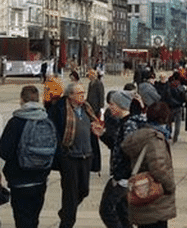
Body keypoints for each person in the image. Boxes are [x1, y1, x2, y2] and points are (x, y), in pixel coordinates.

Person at [47, 83, 103, 228]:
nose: (82, 96)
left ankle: (65, 212)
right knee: (70, 194)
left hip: (86, 156)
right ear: (69, 95)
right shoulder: (60, 109)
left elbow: (94, 127)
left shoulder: (86, 108)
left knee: (84, 190)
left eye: (83, 93)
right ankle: (67, 222)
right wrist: (62, 153)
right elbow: (53, 132)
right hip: (69, 157)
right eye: (79, 93)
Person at [0, 85, 56, 228]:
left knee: (22, 219)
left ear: (21, 100)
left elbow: (4, 151)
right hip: (40, 178)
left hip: (19, 180)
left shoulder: (16, 122)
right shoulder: (46, 120)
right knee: (33, 218)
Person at [122, 102, 176, 228]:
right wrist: (170, 186)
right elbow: (158, 167)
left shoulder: (141, 135)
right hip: (155, 198)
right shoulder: (154, 139)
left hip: (142, 193)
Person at [97, 90, 134, 228]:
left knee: (107, 210)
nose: (109, 107)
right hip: (121, 176)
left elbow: (129, 152)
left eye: (112, 104)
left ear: (120, 105)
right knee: (122, 212)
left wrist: (120, 176)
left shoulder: (128, 125)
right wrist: (102, 135)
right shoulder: (122, 123)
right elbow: (116, 146)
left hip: (123, 178)